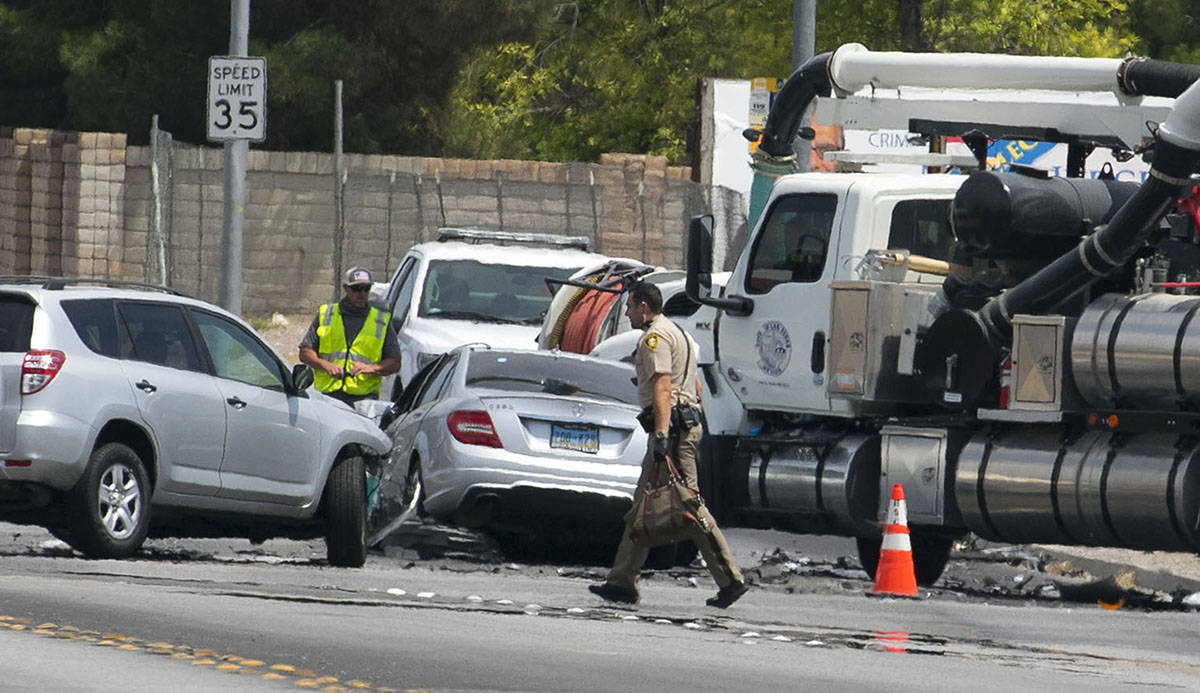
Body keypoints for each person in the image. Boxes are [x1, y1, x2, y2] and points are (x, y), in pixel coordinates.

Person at [589, 281, 748, 608]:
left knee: (689, 505)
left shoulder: (654, 338)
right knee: (641, 506)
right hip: (681, 427)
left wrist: (661, 437)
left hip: (672, 434)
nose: (629, 313)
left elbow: (662, 387)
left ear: (643, 306)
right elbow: (696, 387)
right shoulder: (679, 333)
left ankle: (730, 579)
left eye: (631, 306)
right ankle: (621, 581)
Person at [299, 267, 402, 405]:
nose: (362, 293)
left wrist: (370, 368)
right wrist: (324, 365)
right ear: (346, 288)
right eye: (356, 289)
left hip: (364, 399)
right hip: (328, 395)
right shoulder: (327, 315)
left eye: (366, 289)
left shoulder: (381, 321)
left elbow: (394, 363)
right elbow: (305, 352)